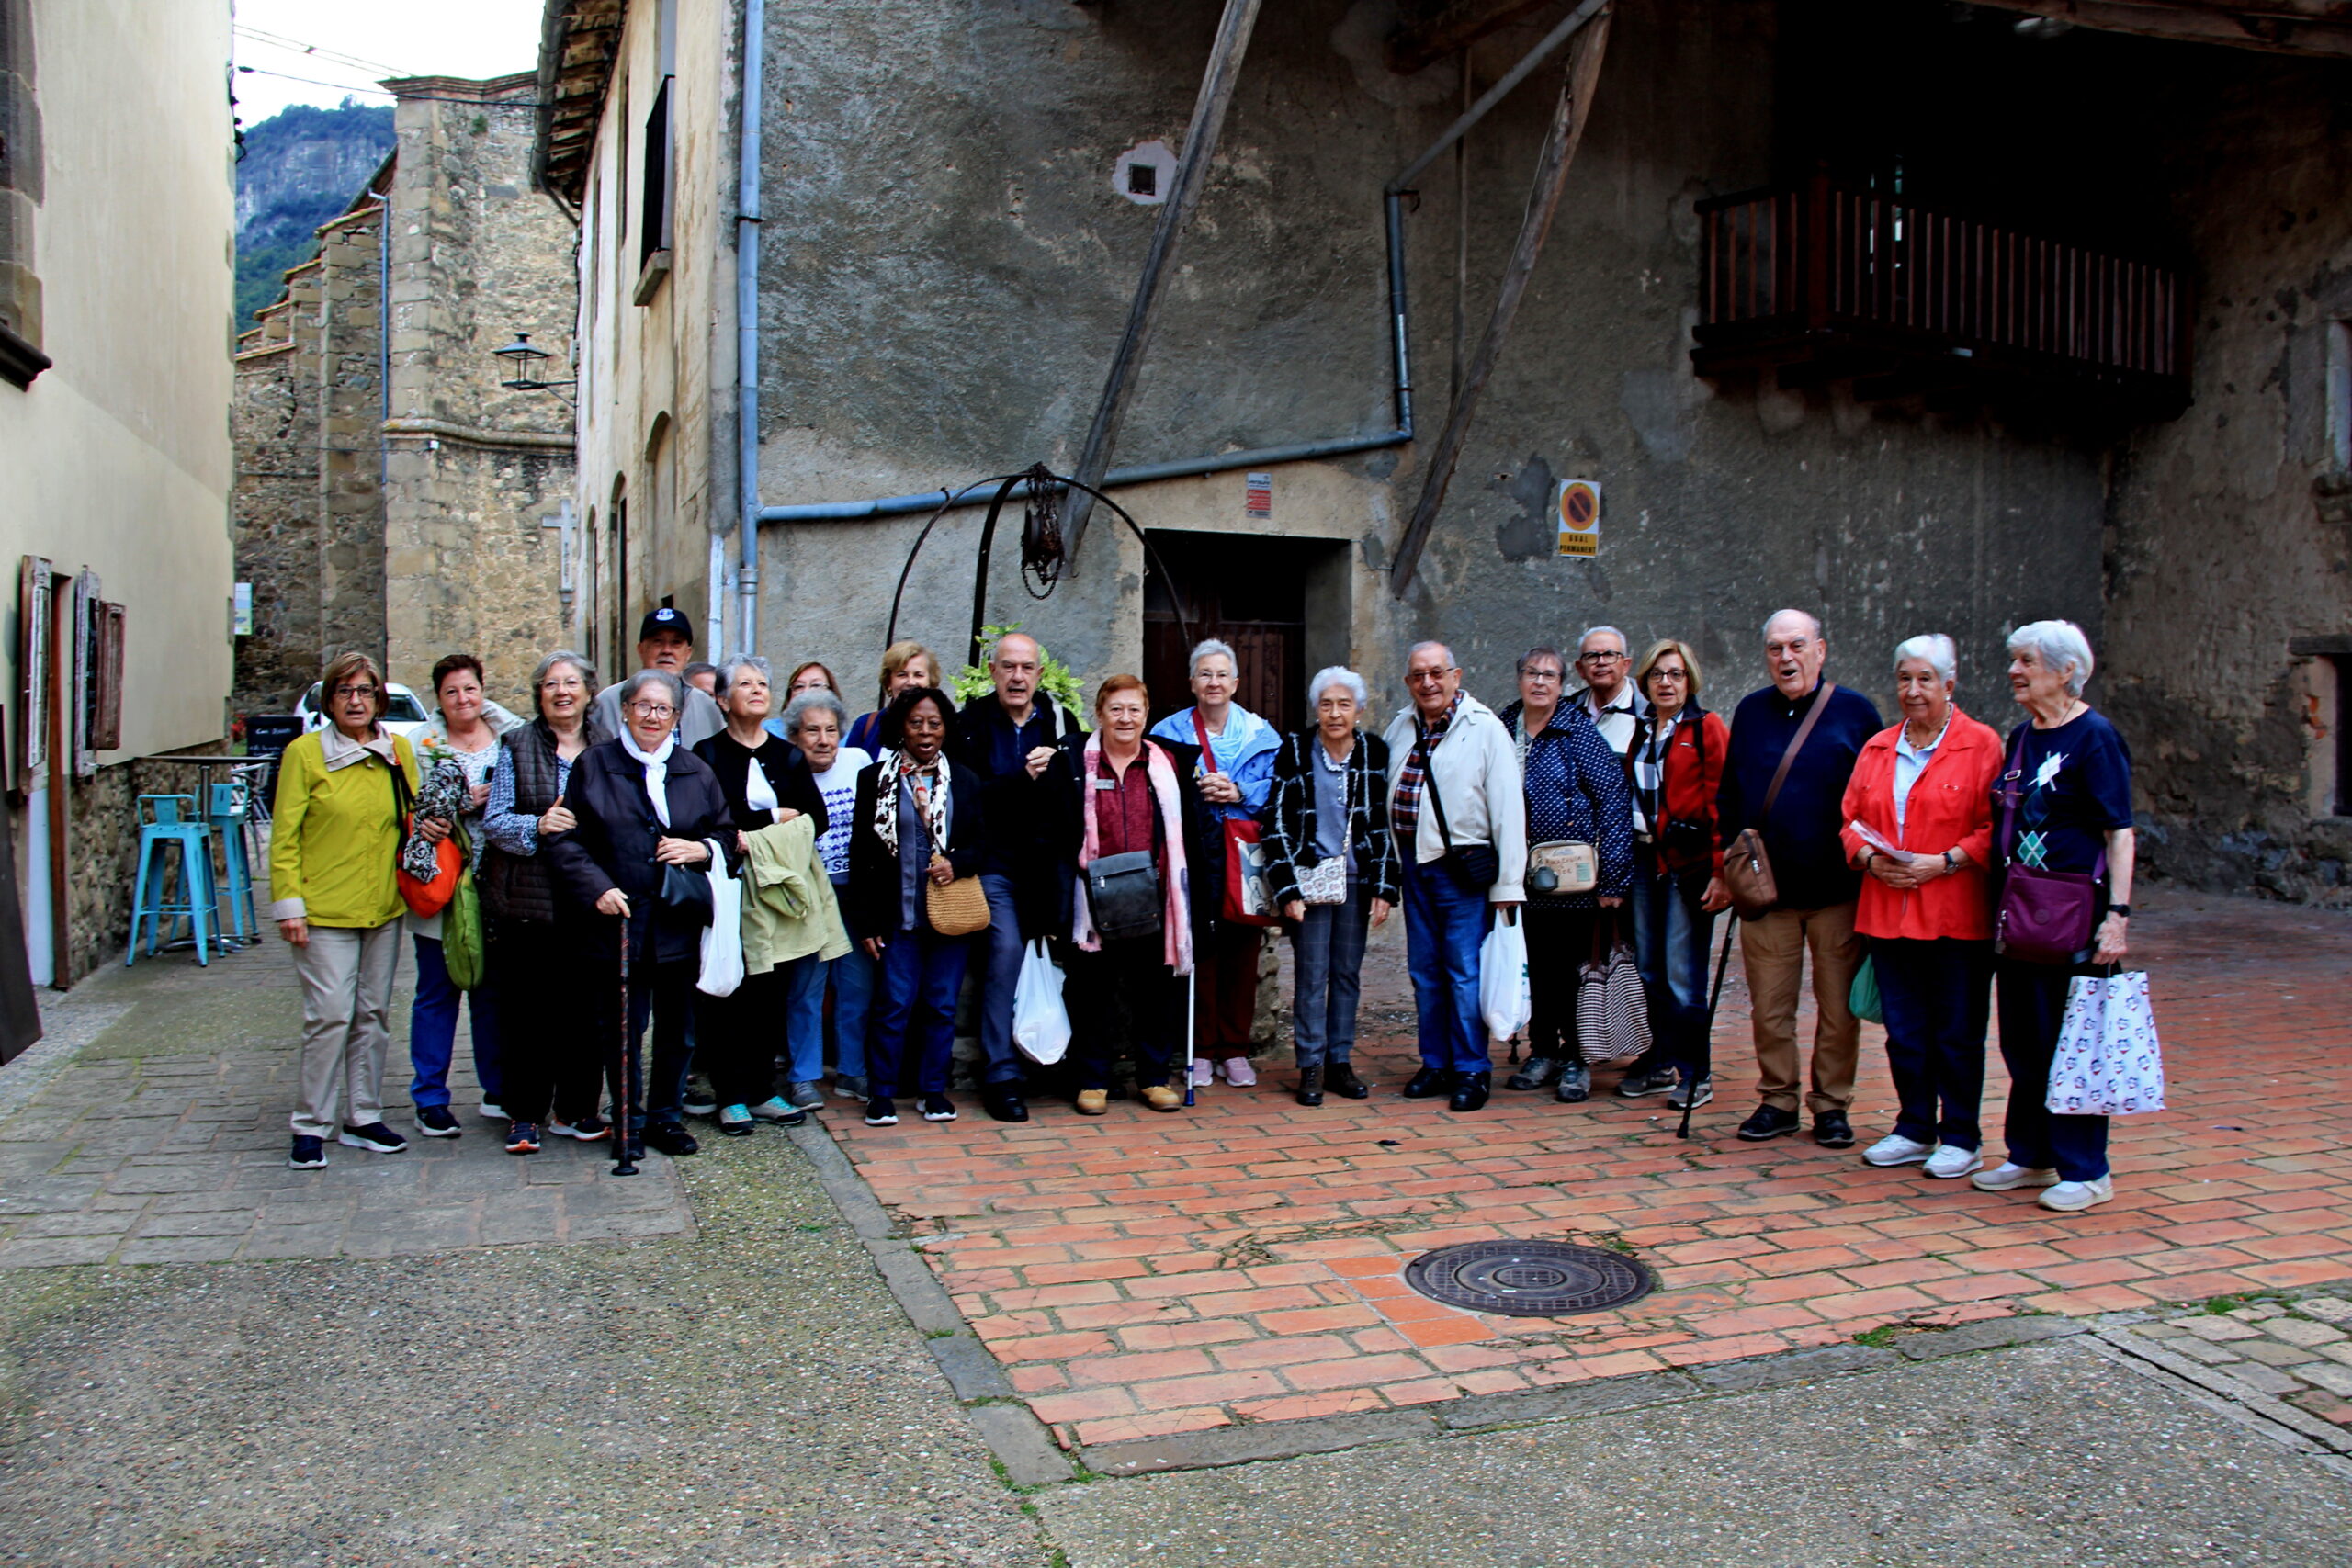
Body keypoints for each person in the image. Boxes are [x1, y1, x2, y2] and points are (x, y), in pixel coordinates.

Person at [1972, 620, 2135, 1213]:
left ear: (2066, 670)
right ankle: (2031, 1152)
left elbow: (2119, 831)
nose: (2015, 670)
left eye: (2026, 660)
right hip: (2020, 914)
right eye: (2013, 659)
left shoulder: (2095, 736)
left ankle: (2087, 1168)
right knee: (2024, 1038)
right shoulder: (2023, 736)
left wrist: (2116, 915)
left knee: (2075, 1042)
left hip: (2073, 915)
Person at [547, 668, 734, 1160]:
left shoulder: (697, 771)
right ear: (626, 710)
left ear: (677, 717)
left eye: (664, 709)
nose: (654, 717)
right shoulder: (594, 765)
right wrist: (599, 888)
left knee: (679, 1029)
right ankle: (627, 1120)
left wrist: (701, 850)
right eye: (644, 706)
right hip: (619, 923)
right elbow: (565, 841)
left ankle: (665, 1119)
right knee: (623, 1028)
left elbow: (726, 838)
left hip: (678, 921)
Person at [1838, 635, 2001, 1179]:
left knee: (1956, 1030)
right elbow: (1849, 819)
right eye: (1904, 679)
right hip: (1889, 910)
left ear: (1949, 685)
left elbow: (1993, 826)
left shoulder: (1981, 744)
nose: (1913, 690)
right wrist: (1867, 858)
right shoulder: (1879, 746)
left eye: (1925, 679)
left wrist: (1948, 861)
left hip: (1956, 914)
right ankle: (1913, 1127)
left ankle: (1961, 1135)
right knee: (1904, 1029)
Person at [1716, 610, 1883, 1147]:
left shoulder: (1856, 712)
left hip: (1837, 892)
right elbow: (1731, 796)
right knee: (1771, 1007)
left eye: (1796, 646)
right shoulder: (1751, 711)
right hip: (1769, 894)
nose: (1785, 658)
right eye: (1774, 649)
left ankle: (1832, 1105)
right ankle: (1778, 1100)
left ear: (1820, 650)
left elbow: (1877, 797)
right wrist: (1729, 865)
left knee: (1837, 1010)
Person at [267, 650, 434, 1168]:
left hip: (382, 906)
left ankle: (363, 1115)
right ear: (329, 700)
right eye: (345, 691)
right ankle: (311, 1124)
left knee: (372, 1015)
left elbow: (412, 816)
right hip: (322, 910)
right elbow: (284, 836)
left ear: (378, 698)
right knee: (330, 1016)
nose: (356, 701)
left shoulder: (396, 752)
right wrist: (289, 904)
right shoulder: (305, 754)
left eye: (365, 691)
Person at [1383, 642, 1527, 1113]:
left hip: (1463, 871)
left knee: (1464, 972)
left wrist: (1509, 886)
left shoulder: (1484, 729)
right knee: (1424, 971)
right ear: (1408, 683)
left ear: (1456, 676)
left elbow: (1508, 811)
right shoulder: (1400, 727)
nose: (1428, 683)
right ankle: (1436, 1063)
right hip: (1415, 866)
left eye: (1437, 673)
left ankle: (1471, 1069)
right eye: (1418, 675)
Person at [480, 650, 611, 1154]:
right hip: (529, 903)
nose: (562, 691)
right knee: (527, 1016)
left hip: (587, 901)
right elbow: (495, 823)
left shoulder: (608, 748)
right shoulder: (516, 746)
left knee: (585, 1015)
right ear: (539, 694)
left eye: (571, 682)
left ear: (588, 691)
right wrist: (538, 824)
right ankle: (525, 1114)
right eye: (551, 683)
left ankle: (577, 1110)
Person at [950, 631, 1081, 1122]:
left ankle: (1062, 1059)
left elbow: (1075, 790)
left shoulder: (1060, 721)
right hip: (996, 865)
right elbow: (968, 796)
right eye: (1008, 667)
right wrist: (1020, 780)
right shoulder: (970, 725)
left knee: (1074, 950)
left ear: (1040, 675)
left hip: (1052, 866)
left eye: (1027, 668)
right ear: (993, 672)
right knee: (1003, 953)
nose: (1018, 677)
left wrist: (1060, 765)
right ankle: (1002, 1073)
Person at [693, 655, 828, 1134]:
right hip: (729, 885)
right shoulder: (705, 755)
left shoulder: (787, 756)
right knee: (732, 987)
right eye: (744, 684)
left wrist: (757, 834)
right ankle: (730, 1095)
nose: (756, 690)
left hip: (777, 888)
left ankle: (764, 1090)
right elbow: (709, 822)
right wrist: (772, 821)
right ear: (722, 699)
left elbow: (816, 820)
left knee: (773, 989)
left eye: (763, 683)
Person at [1496, 646, 1634, 1104]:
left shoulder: (1578, 731)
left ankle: (1577, 1058)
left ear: (1560, 684)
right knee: (1536, 969)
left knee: (1575, 969)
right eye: (1532, 673)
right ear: (1519, 678)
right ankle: (1543, 1051)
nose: (1539, 682)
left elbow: (1613, 802)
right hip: (1518, 877)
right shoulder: (1501, 728)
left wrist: (1613, 880)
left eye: (1549, 676)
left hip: (1573, 879)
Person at [1061, 675, 1203, 1115]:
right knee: (1092, 991)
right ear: (1100, 714)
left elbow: (1190, 833)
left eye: (1134, 710)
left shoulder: (1168, 764)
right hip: (1094, 896)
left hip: (1154, 893)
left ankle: (1155, 1078)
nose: (1126, 718)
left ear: (1146, 714)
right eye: (1116, 709)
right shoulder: (1073, 763)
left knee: (1155, 990)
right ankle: (1092, 1081)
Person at [846, 686, 987, 1128]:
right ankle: (882, 1093)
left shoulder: (965, 780)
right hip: (897, 916)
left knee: (942, 1005)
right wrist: (866, 920)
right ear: (900, 728)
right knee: (893, 1004)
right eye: (916, 722)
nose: (925, 731)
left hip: (949, 916)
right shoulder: (873, 780)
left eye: (935, 723)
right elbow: (861, 856)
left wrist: (956, 862)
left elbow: (985, 845)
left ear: (946, 729)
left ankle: (933, 1091)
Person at [1260, 667, 1397, 1107]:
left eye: (1344, 705)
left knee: (1346, 974)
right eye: (1326, 704)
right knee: (1311, 975)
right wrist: (1287, 889)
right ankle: (1311, 1066)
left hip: (1357, 881)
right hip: (1311, 879)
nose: (1335, 713)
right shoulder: (1296, 749)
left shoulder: (1375, 751)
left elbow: (1383, 825)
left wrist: (1383, 886)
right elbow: (1276, 821)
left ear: (1359, 709)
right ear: (1315, 709)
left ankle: (1340, 1061)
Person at [1150, 639, 1280, 1087]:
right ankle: (1200, 1048)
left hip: (1245, 854)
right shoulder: (1168, 732)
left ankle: (1235, 1049)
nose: (1214, 682)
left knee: (1243, 951)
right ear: (1191, 682)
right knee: (1198, 950)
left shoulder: (1261, 734)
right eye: (1205, 674)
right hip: (1193, 853)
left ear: (1236, 683)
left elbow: (1282, 790)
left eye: (1222, 674)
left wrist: (1240, 793)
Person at [404, 654, 511, 1136]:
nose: (463, 699)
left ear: (482, 689)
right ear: (439, 700)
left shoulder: (513, 736)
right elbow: (407, 807)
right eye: (451, 692)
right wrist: (460, 800)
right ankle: (430, 1096)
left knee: (491, 991)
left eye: (469, 689)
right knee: (436, 990)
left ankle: (496, 1088)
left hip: (498, 879)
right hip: (443, 880)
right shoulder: (420, 746)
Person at [1623, 640, 1730, 1112]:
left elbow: (1723, 803)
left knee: (1683, 975)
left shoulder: (1706, 729)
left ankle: (1696, 1073)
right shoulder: (1641, 729)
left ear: (1690, 681)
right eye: (1658, 675)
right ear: (1645, 681)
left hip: (1688, 865)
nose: (1666, 683)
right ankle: (1663, 1059)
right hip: (1646, 862)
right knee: (1649, 968)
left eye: (1676, 674)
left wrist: (1721, 871)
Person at [781, 688, 878, 1100]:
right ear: (795, 737)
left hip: (854, 890)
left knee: (857, 984)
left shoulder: (858, 762)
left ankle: (851, 1070)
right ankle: (802, 1073)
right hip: (808, 894)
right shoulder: (786, 773)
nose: (823, 740)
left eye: (831, 730)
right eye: (812, 732)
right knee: (807, 986)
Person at [589, 606, 726, 747]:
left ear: (688, 653)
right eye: (657, 642)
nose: (667, 650)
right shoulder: (608, 702)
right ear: (641, 650)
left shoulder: (706, 706)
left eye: (676, 643)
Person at [845, 641, 939, 758]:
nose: (910, 682)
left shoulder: (946, 728)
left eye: (918, 675)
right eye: (902, 675)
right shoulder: (865, 725)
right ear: (889, 682)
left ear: (930, 682)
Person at [1569, 625, 1649, 759]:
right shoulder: (1568, 711)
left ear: (1626, 665)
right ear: (1580, 669)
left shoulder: (1648, 712)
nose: (1601, 662)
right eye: (1592, 656)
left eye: (1609, 655)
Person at [768, 661, 841, 739]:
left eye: (816, 685)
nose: (806, 691)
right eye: (799, 686)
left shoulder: (845, 740)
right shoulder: (769, 731)